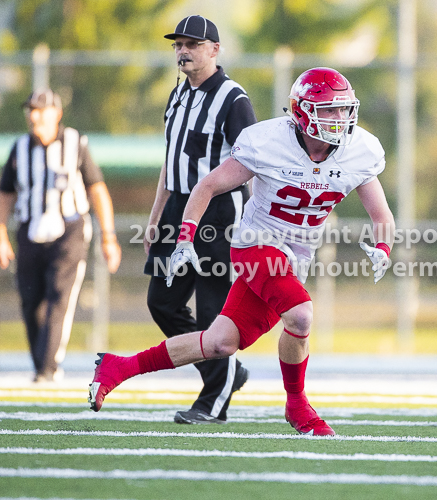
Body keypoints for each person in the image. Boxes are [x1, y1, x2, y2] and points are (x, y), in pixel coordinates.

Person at [89, 67, 395, 436]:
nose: (338, 118)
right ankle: (298, 406)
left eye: (343, 109)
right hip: (256, 244)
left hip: (297, 255)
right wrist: (184, 238)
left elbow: (382, 215)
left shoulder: (359, 150)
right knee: (300, 316)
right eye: (327, 109)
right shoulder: (268, 141)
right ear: (301, 112)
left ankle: (118, 367)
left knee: (220, 343)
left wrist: (383, 247)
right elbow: (208, 186)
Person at [143, 15, 256, 425]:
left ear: (214, 50)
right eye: (178, 44)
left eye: (192, 43)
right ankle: (223, 371)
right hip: (176, 214)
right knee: (163, 303)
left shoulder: (233, 98)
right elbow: (170, 161)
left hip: (220, 217)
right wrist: (157, 215)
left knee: (213, 314)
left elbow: (254, 164)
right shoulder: (177, 94)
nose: (183, 51)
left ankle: (214, 401)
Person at [0, 88, 121, 382]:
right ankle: (42, 365)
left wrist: (109, 236)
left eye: (40, 110)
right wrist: (0, 236)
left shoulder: (76, 144)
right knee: (30, 301)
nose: (34, 116)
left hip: (69, 232)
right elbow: (4, 195)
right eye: (31, 110)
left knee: (58, 298)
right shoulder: (20, 148)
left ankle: (47, 368)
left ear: (57, 114)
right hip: (29, 231)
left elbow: (97, 190)